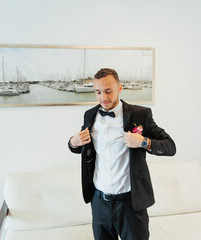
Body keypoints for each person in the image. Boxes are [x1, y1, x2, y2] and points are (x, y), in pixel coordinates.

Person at [68, 68, 176, 240]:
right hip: (99, 202)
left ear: (119, 88)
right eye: (98, 92)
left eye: (108, 91)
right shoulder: (90, 115)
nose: (103, 97)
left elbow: (170, 147)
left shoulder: (140, 115)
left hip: (130, 203)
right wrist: (72, 142)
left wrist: (143, 142)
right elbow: (79, 145)